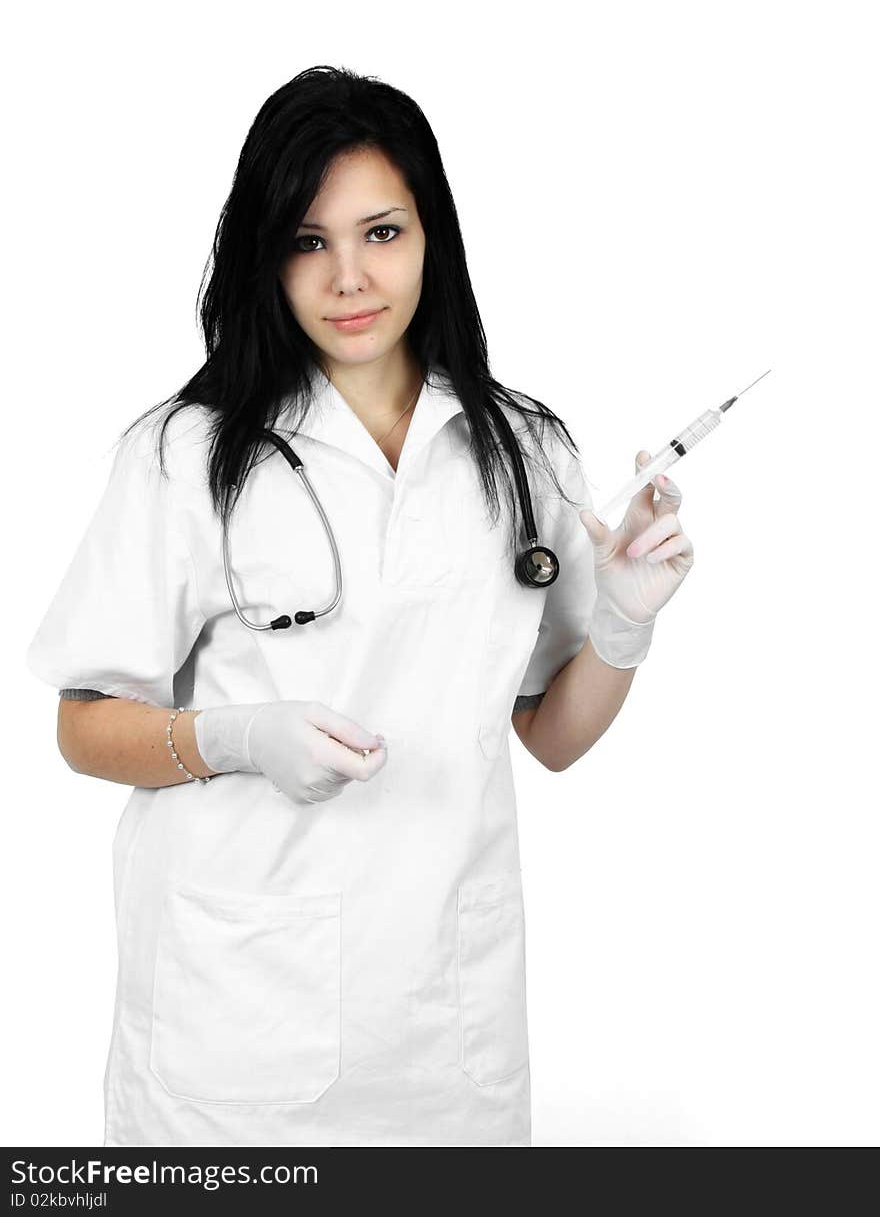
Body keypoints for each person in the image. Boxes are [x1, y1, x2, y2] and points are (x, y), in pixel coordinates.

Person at [25, 65, 694, 1148]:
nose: (349, 276)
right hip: (232, 1027)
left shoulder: (522, 450)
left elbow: (552, 736)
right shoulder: (185, 455)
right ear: (265, 256)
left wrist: (621, 623)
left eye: (381, 232)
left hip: (446, 1026)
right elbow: (83, 725)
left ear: (433, 236)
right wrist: (234, 737)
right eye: (307, 241)